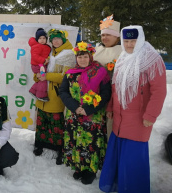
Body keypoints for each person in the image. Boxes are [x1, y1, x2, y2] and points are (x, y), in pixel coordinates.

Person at [99, 25, 167, 193]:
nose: (129, 45)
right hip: (120, 118)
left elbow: (159, 91)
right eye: (126, 41)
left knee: (132, 158)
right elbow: (115, 87)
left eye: (133, 41)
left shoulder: (152, 60)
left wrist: (150, 115)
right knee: (118, 154)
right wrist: (110, 107)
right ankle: (118, 184)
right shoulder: (123, 57)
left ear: (141, 39)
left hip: (139, 119)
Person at [59, 41, 112, 185]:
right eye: (79, 57)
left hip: (92, 116)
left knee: (91, 142)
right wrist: (75, 107)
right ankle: (79, 167)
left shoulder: (100, 72)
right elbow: (63, 91)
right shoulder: (70, 74)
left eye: (85, 57)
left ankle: (90, 170)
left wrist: (87, 109)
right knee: (76, 141)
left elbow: (106, 94)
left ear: (90, 57)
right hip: (74, 114)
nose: (82, 60)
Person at [32, 29, 75, 165]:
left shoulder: (68, 54)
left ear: (63, 39)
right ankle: (40, 144)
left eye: (58, 39)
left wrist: (46, 76)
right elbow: (40, 68)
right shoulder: (50, 52)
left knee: (55, 122)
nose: (55, 41)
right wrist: (37, 77)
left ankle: (58, 149)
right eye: (53, 39)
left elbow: (65, 76)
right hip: (42, 92)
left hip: (56, 94)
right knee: (42, 119)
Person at [94, 14, 122, 139]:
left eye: (108, 35)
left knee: (110, 126)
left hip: (113, 95)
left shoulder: (122, 51)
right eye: (103, 35)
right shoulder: (97, 49)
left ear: (116, 37)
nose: (105, 37)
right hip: (95, 94)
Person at [28, 28, 51, 101]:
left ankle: (33, 90)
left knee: (41, 79)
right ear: (37, 39)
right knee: (43, 79)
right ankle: (41, 95)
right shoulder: (37, 46)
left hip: (40, 65)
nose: (42, 40)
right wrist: (44, 60)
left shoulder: (44, 46)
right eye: (40, 38)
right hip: (38, 66)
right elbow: (35, 56)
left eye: (44, 38)